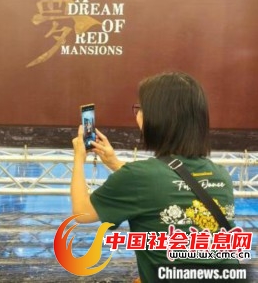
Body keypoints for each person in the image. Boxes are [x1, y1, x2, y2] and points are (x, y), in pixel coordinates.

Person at [71, 71, 237, 282]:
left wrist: (78, 158)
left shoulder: (138, 176)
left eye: (140, 108)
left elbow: (82, 213)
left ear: (157, 118)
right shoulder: (220, 174)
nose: (138, 113)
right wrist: (113, 162)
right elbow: (166, 184)